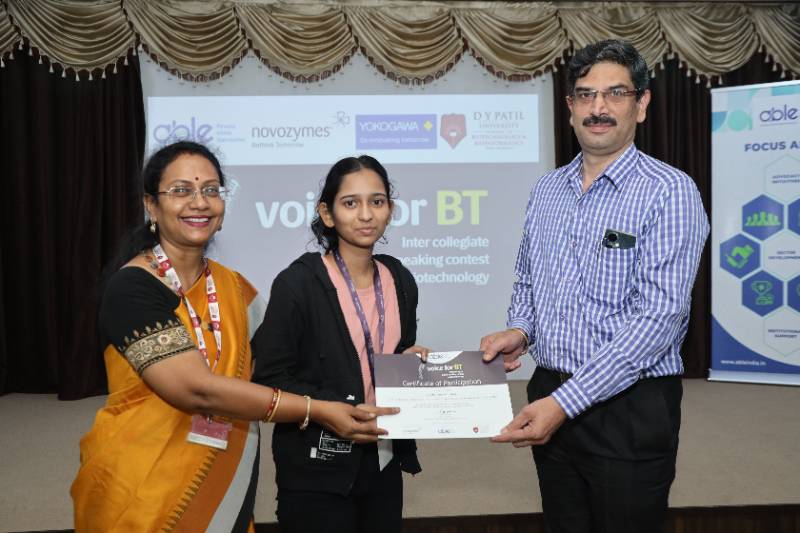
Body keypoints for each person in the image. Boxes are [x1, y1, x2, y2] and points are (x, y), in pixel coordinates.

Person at [71, 141, 395, 533]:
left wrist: (400, 368)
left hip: (225, 477)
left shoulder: (236, 289)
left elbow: (280, 364)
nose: (199, 202)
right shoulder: (133, 288)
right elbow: (196, 390)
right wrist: (317, 409)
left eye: (210, 190)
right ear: (151, 206)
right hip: (140, 485)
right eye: (181, 190)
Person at [481, 40, 709, 533]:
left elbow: (659, 319)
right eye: (585, 95)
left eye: (615, 94)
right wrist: (521, 331)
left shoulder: (670, 192)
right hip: (550, 389)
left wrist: (566, 403)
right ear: (570, 107)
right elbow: (529, 278)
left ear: (641, 104)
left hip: (629, 406)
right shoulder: (547, 189)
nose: (598, 108)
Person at [252, 155, 429, 533]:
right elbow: (268, 378)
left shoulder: (399, 279)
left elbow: (390, 353)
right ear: (327, 214)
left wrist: (407, 361)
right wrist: (327, 408)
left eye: (377, 201)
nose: (366, 214)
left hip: (382, 460)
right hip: (316, 471)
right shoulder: (298, 284)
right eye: (351, 203)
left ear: (390, 210)